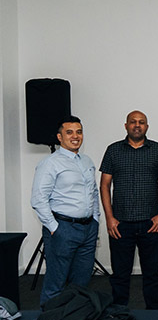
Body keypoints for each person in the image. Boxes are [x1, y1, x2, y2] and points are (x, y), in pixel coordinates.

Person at [99, 110, 158, 309]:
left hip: (150, 222)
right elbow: (104, 185)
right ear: (126, 125)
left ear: (147, 126)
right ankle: (119, 311)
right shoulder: (113, 150)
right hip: (120, 223)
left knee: (152, 273)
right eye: (133, 122)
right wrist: (109, 218)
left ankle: (154, 312)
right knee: (120, 274)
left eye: (141, 122)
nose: (137, 125)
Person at [31, 116, 101, 304]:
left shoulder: (87, 161)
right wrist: (54, 228)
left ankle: (74, 318)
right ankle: (50, 319)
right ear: (59, 137)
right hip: (63, 229)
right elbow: (38, 199)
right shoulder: (50, 163)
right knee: (56, 283)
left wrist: (95, 219)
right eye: (69, 132)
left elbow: (93, 192)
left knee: (81, 283)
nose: (75, 136)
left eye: (79, 132)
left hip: (88, 229)